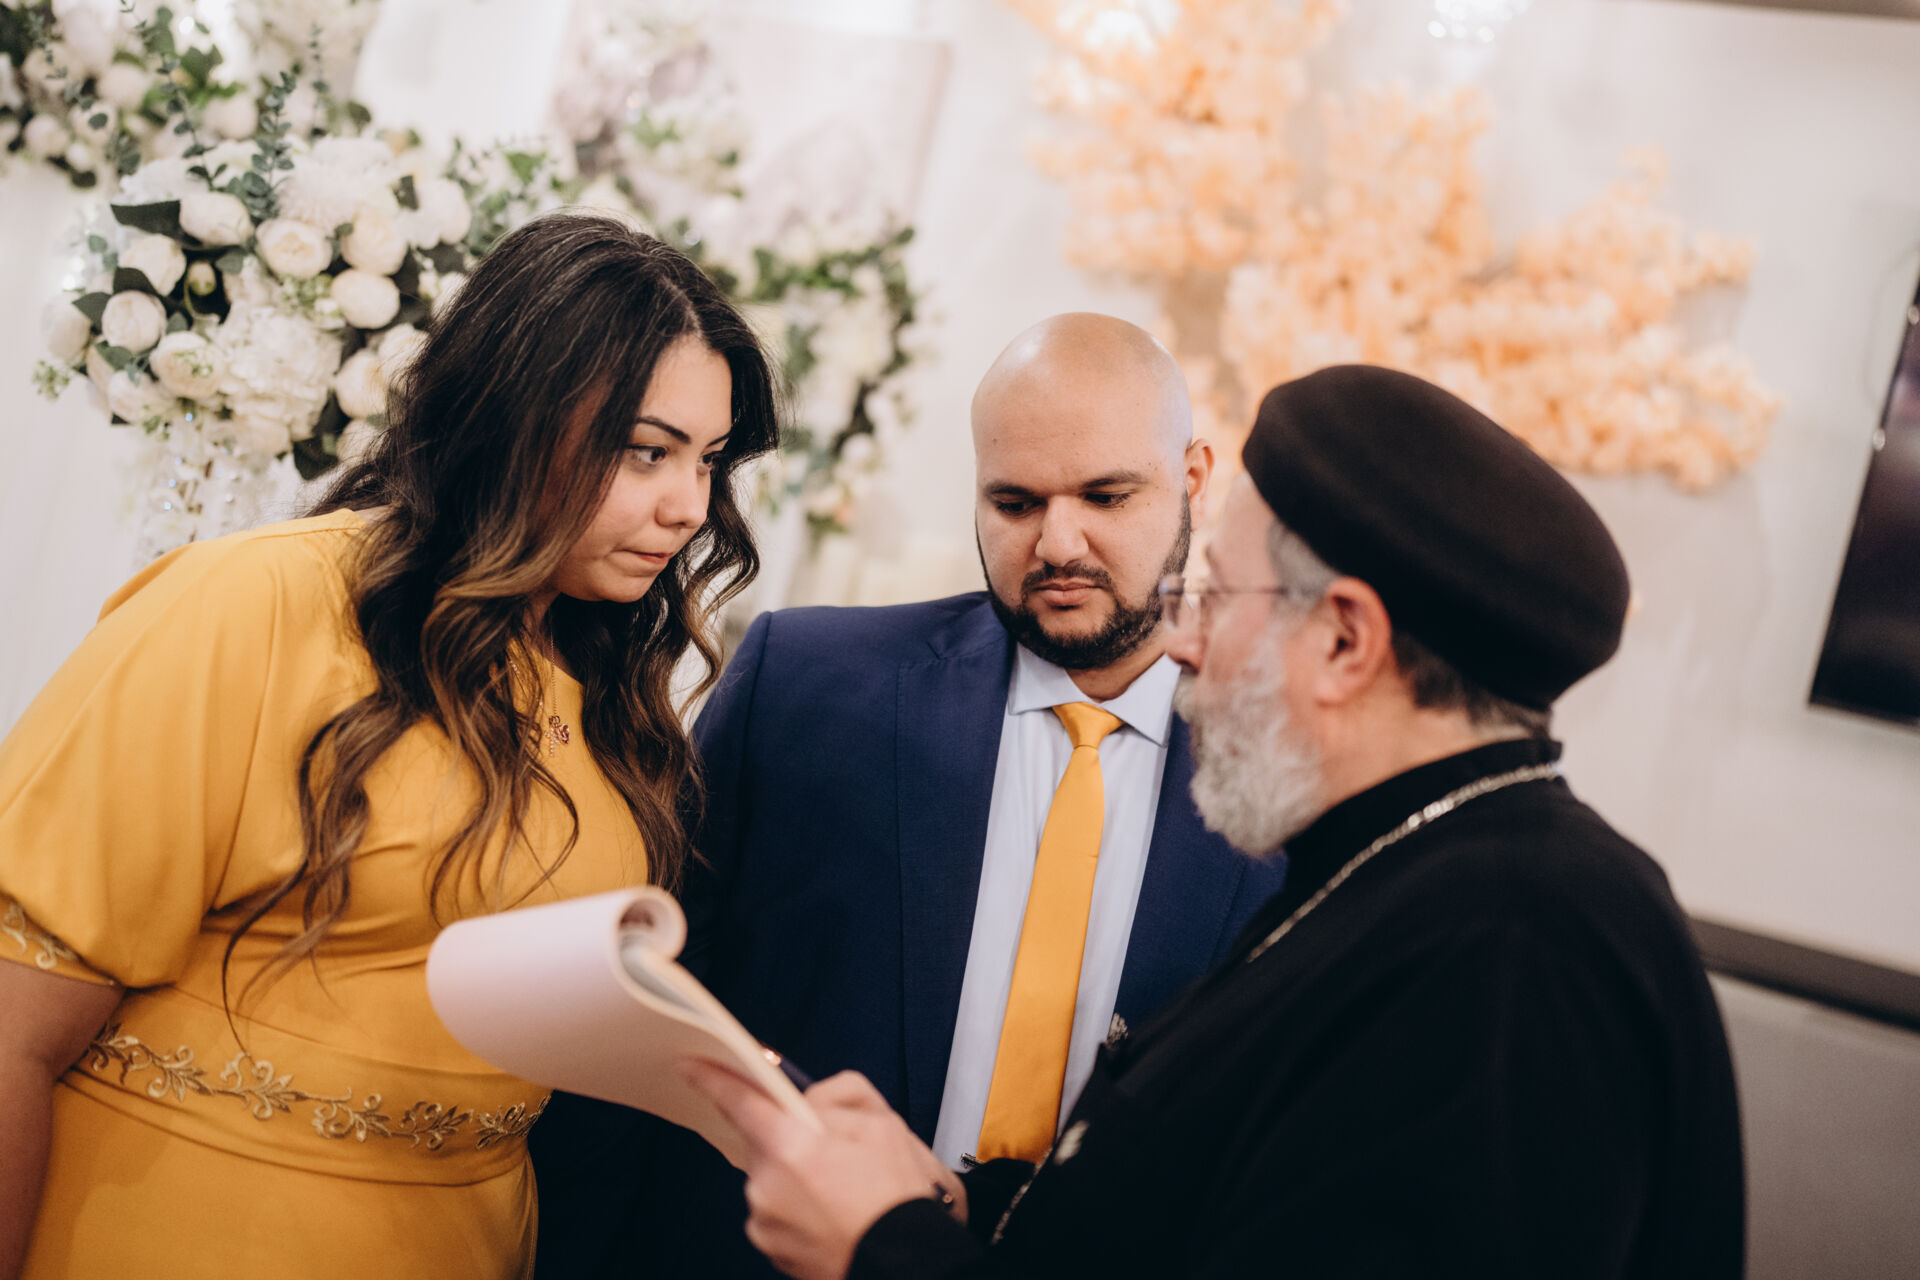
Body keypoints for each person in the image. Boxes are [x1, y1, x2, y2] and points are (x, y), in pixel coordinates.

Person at [684, 364, 1747, 1280]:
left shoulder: (1520, 949)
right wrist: (976, 1219)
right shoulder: (1408, 875)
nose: (1184, 644)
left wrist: (886, 1248)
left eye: (1221, 596)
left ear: (1345, 641)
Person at [0, 211, 778, 1279]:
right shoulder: (256, 602)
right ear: (514, 414)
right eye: (647, 451)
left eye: (709, 460)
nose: (689, 507)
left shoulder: (609, 685)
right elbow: (13, 1024)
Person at [532, 313, 1286, 1275]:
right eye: (1014, 502)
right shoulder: (803, 686)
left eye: (1106, 495)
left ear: (1193, 479)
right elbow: (637, 1018)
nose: (1059, 542)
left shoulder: (1292, 777)